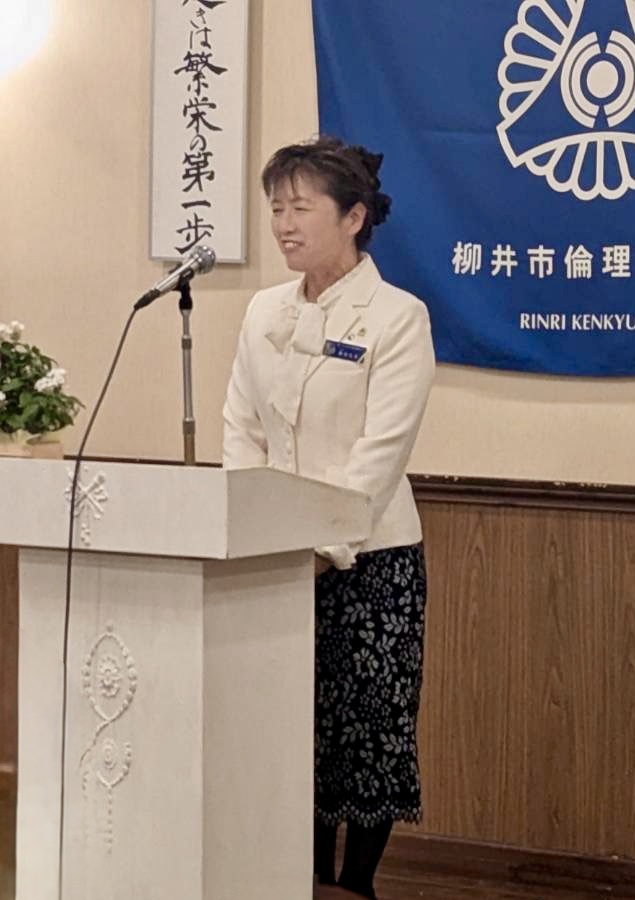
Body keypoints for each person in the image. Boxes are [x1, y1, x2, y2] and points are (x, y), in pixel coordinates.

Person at [221, 135, 436, 899]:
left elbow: (379, 454)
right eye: (276, 207)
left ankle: (355, 885)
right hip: (277, 555)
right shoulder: (264, 310)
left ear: (352, 217)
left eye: (301, 207)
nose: (283, 224)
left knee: (368, 730)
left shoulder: (398, 317)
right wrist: (254, 526)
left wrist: (322, 545)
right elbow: (241, 428)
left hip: (371, 557)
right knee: (292, 725)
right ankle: (297, 878)